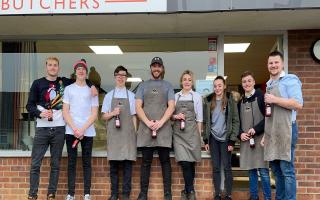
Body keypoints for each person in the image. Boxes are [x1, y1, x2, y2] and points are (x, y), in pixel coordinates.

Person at [26, 57, 97, 200]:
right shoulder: (37, 83)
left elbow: (82, 78)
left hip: (59, 128)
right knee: (35, 163)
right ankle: (32, 194)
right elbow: (29, 105)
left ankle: (51, 194)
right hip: (42, 129)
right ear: (46, 67)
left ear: (58, 67)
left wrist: (92, 85)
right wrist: (40, 113)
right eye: (50, 65)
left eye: (55, 65)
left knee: (56, 164)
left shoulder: (64, 82)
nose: (53, 68)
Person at [264, 51, 303, 200]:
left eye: (276, 62)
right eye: (270, 63)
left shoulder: (290, 80)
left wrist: (275, 99)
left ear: (282, 64)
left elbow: (298, 104)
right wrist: (266, 135)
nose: (273, 65)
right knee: (276, 170)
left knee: (287, 170)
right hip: (273, 131)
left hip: (287, 129)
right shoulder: (269, 84)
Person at [135, 57, 175, 200]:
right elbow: (138, 106)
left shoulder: (168, 86)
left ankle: (167, 194)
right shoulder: (142, 86)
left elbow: (171, 106)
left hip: (163, 130)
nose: (156, 68)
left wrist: (161, 122)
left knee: (166, 162)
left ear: (162, 68)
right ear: (150, 68)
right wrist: (147, 122)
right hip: (146, 130)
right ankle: (143, 194)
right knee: (146, 163)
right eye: (154, 66)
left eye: (159, 66)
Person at [62, 60, 99, 200]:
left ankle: (86, 194)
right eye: (78, 69)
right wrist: (75, 129)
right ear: (75, 72)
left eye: (83, 69)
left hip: (87, 132)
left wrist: (82, 130)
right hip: (71, 132)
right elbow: (65, 112)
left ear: (86, 72)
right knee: (71, 162)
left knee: (86, 163)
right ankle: (71, 194)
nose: (81, 71)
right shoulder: (69, 89)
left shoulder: (92, 90)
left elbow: (94, 114)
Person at [101, 66, 137, 200]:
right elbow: (104, 116)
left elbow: (134, 116)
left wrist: (135, 134)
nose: (121, 77)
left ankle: (126, 194)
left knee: (128, 166)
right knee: (114, 167)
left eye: (123, 75)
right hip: (114, 136)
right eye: (118, 75)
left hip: (128, 136)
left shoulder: (132, 96)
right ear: (115, 77)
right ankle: (114, 194)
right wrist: (113, 113)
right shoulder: (108, 96)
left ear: (126, 78)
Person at [203, 76, 239, 200]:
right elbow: (206, 122)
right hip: (213, 139)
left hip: (226, 139)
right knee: (216, 167)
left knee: (227, 167)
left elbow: (235, 121)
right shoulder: (208, 101)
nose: (217, 88)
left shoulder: (230, 100)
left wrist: (232, 140)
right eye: (215, 86)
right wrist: (206, 140)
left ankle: (228, 194)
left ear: (224, 86)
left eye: (219, 85)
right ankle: (217, 194)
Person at [238, 71, 271, 200]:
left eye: (249, 81)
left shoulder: (261, 96)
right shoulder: (240, 101)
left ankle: (267, 197)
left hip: (261, 140)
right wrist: (240, 133)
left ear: (254, 82)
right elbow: (237, 122)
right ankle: (254, 197)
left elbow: (269, 118)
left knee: (263, 171)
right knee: (251, 171)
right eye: (244, 81)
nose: (247, 83)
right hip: (247, 141)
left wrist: (256, 129)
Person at [172, 70, 203, 200]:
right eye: (185, 79)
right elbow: (169, 116)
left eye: (189, 80)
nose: (187, 81)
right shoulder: (175, 96)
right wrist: (175, 116)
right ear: (181, 81)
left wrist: (199, 138)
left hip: (192, 134)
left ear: (192, 82)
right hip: (179, 135)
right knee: (184, 162)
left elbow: (199, 119)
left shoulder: (196, 96)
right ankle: (191, 191)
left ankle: (187, 190)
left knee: (191, 163)